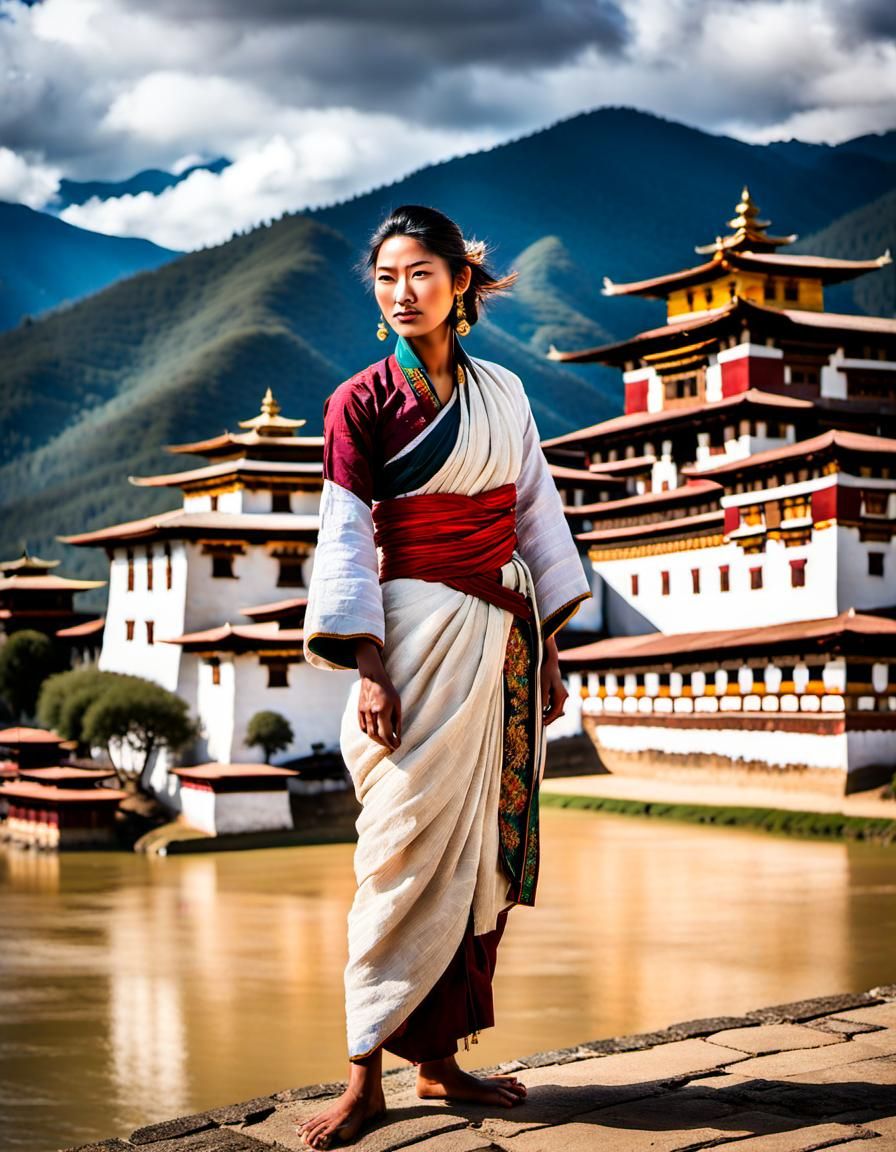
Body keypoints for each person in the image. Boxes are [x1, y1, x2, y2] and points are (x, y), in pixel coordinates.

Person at [296, 204, 591, 1149]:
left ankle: (439, 1061)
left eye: (421, 272)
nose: (402, 292)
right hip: (414, 634)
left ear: (461, 281)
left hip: (503, 637)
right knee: (398, 848)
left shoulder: (506, 393)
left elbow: (539, 520)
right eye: (387, 277)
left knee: (478, 854)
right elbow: (346, 538)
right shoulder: (360, 402)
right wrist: (368, 665)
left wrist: (548, 649)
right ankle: (362, 1073)